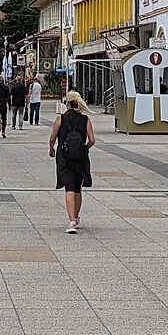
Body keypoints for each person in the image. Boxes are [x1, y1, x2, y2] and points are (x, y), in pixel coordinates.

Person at [49, 90, 95, 233]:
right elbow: (92, 140)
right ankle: (76, 217)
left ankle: (71, 221)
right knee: (77, 187)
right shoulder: (85, 119)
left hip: (64, 156)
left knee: (68, 186)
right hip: (81, 158)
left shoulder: (60, 119)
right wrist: (84, 148)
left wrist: (52, 149)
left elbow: (52, 138)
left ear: (67, 103)